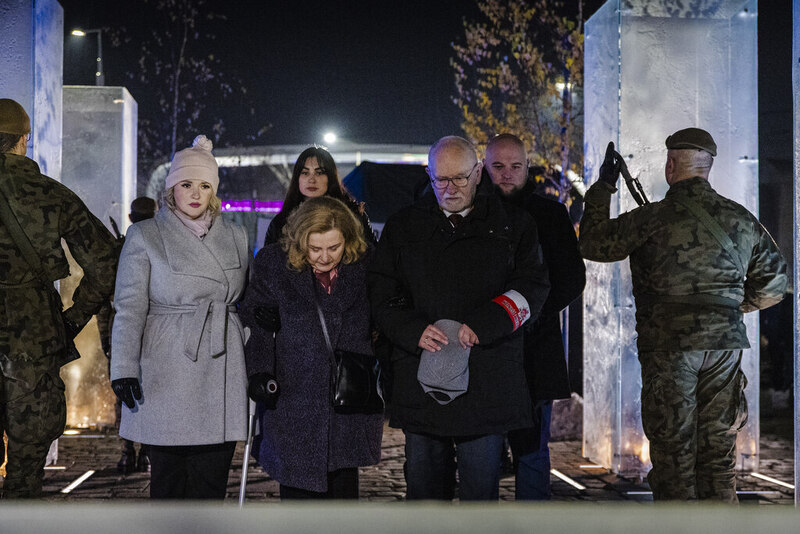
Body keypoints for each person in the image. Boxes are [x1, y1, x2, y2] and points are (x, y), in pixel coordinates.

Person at [579, 128, 789, 503]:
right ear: (706, 168)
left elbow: (593, 243)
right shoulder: (741, 219)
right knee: (717, 452)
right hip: (724, 348)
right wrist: (727, 308)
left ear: (670, 165)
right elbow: (775, 285)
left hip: (669, 347)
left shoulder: (650, 218)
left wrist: (603, 188)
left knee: (674, 453)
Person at [368, 136, 550, 501]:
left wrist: (487, 323)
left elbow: (532, 288)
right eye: (440, 180)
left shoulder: (514, 225)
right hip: (422, 378)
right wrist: (412, 330)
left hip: (488, 379)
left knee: (480, 495)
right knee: (423, 489)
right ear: (428, 175)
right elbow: (381, 292)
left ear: (478, 172)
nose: (449, 189)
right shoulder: (404, 226)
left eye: (460, 179)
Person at [110, 135, 249, 500]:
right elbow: (129, 306)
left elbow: (248, 299)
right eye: (186, 184)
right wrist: (123, 367)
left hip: (221, 366)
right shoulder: (145, 235)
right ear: (172, 187)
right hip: (166, 367)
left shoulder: (235, 236)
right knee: (169, 485)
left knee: (211, 483)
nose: (195, 193)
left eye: (205, 185)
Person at [0, 98, 118, 498]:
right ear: (23, 140)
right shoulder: (51, 194)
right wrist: (71, 319)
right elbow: (105, 265)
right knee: (25, 474)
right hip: (34, 345)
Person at [241, 195, 383, 499]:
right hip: (294, 396)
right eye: (314, 248)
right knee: (298, 497)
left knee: (342, 500)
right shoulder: (273, 264)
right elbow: (257, 326)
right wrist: (260, 373)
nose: (324, 257)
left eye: (334, 247)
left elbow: (383, 317)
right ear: (299, 240)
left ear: (348, 239)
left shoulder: (366, 265)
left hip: (348, 397)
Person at [483, 133, 585, 500]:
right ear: (484, 167)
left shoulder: (550, 215)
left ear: (528, 168)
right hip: (484, 350)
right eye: (498, 166)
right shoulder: (471, 213)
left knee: (532, 452)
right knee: (482, 456)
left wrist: (532, 312)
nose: (507, 174)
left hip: (536, 350)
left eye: (515, 166)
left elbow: (572, 278)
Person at [96, 196, 158, 474]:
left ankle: (128, 453)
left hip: (126, 330)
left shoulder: (119, 250)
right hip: (155, 331)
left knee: (123, 393)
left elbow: (104, 301)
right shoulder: (163, 246)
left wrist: (106, 340)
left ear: (131, 218)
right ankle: (144, 452)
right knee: (150, 393)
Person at [264, 146, 374, 247]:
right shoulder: (280, 222)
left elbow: (372, 258)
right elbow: (267, 263)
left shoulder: (354, 216)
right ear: (297, 178)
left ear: (330, 177)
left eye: (319, 173)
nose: (312, 180)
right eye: (305, 173)